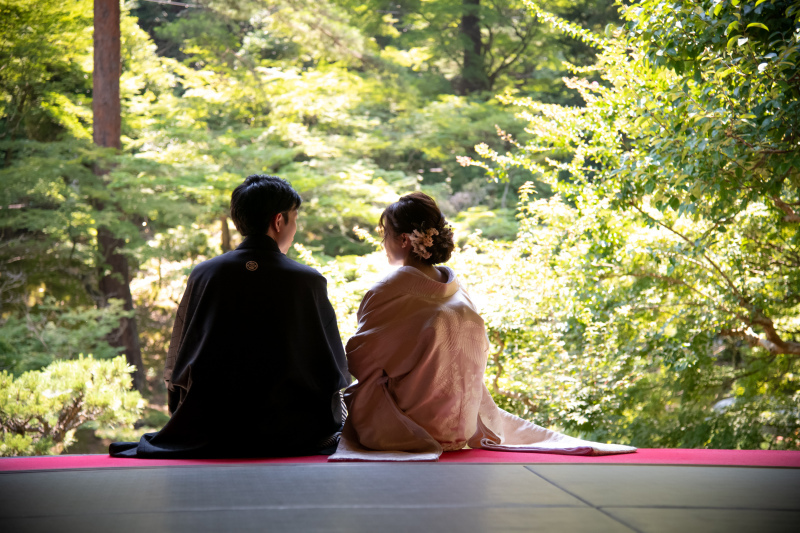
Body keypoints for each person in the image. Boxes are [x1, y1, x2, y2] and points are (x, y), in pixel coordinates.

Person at [330, 192, 635, 461]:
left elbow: (359, 360)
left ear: (403, 240)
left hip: (409, 427)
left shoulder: (390, 287)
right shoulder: (457, 290)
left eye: (385, 233)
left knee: (359, 390)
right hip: (461, 426)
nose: (383, 242)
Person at [110, 175, 349, 458]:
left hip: (208, 424)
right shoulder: (307, 280)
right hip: (291, 430)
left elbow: (179, 359)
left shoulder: (205, 274)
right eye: (294, 218)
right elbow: (332, 369)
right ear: (279, 221)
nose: (295, 228)